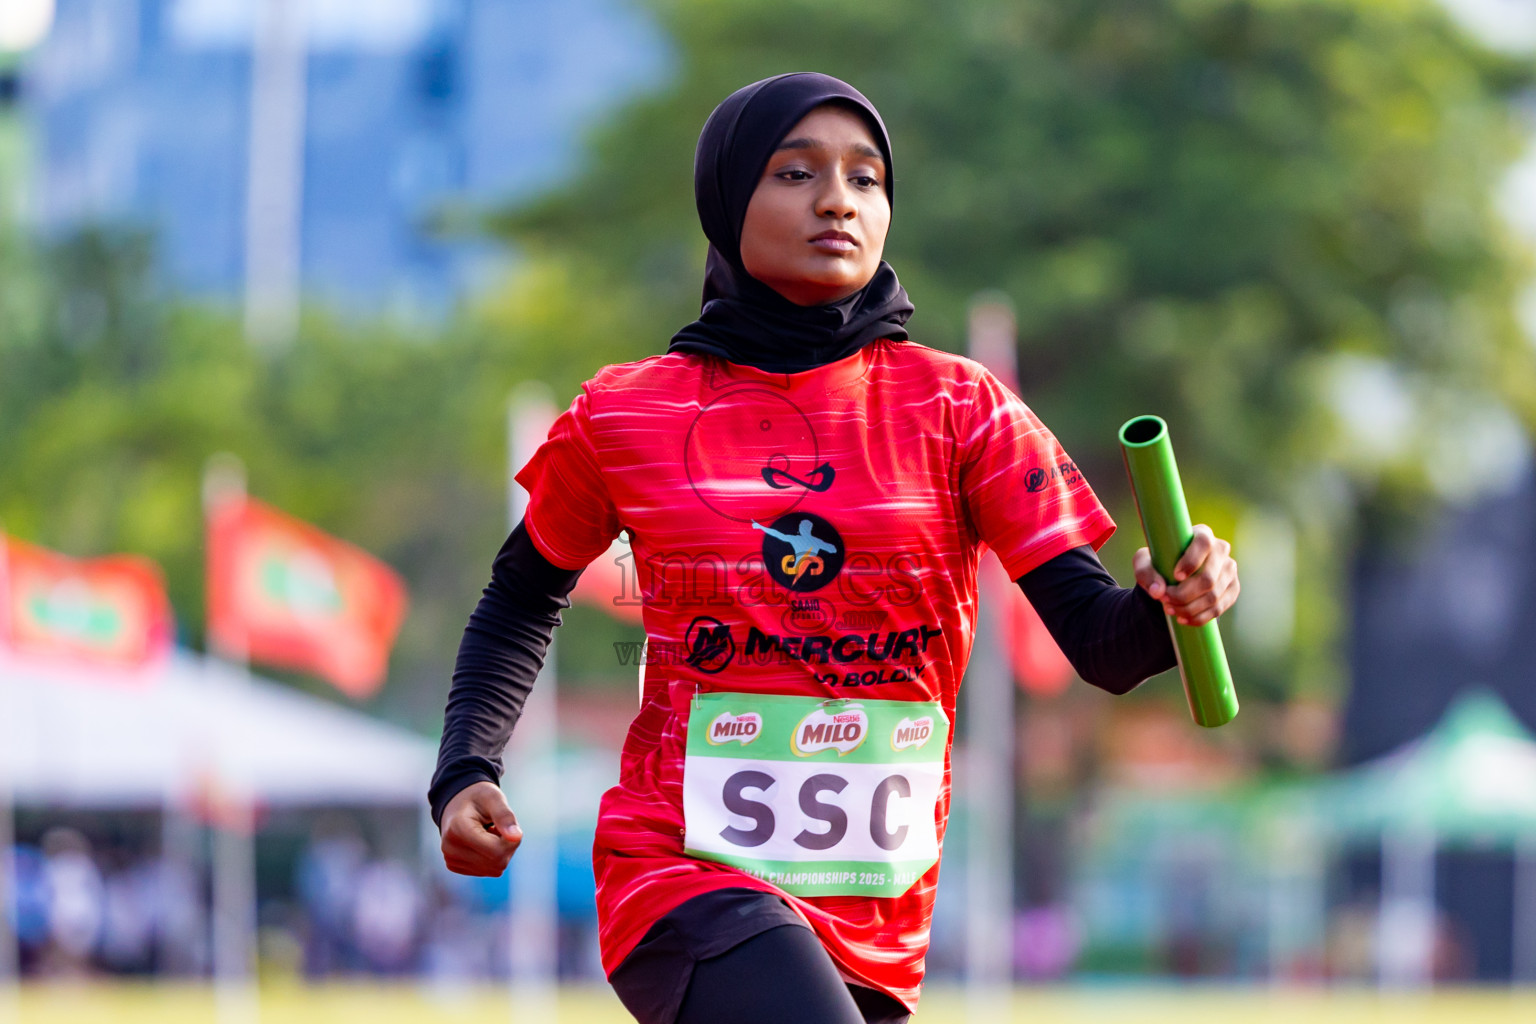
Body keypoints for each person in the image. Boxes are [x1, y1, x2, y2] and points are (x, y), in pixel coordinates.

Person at [429, 72, 1241, 1024]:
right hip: (682, 873)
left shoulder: (960, 407)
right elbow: (521, 599)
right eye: (796, 172)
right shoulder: (628, 410)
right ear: (728, 199)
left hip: (875, 915)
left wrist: (1173, 600)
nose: (837, 200)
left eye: (866, 178)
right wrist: (466, 770)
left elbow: (1106, 649)